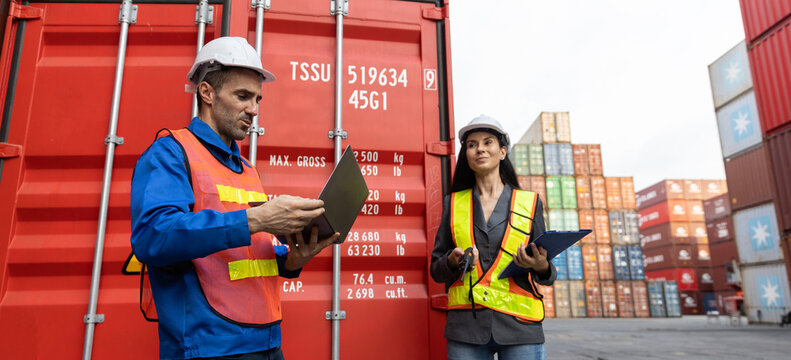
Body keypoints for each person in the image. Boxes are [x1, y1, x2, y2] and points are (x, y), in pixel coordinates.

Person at [130, 37, 338, 360]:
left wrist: (292, 261)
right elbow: (152, 237)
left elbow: (249, 255)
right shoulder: (171, 153)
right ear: (207, 93)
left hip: (268, 342)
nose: (253, 110)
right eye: (242, 96)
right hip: (208, 348)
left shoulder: (246, 169)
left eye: (257, 99)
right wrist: (256, 219)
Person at [430, 115, 555, 360]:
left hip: (520, 328)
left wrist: (541, 266)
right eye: (472, 144)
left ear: (502, 151)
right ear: (466, 154)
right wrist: (452, 261)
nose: (480, 149)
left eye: (488, 142)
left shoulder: (529, 203)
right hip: (467, 328)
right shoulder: (454, 204)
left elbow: (548, 274)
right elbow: (436, 269)